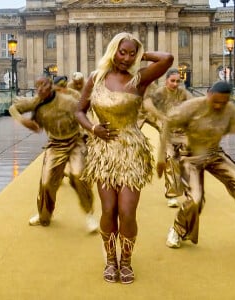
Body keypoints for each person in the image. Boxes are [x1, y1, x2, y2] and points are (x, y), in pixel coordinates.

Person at [75, 32, 173, 284]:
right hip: (103, 152)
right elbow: (79, 111)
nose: (127, 58)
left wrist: (142, 54)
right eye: (122, 52)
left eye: (132, 53)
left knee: (127, 211)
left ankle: (126, 261)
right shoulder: (96, 79)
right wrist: (93, 128)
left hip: (131, 152)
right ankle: (110, 260)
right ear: (112, 51)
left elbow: (167, 58)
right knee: (109, 209)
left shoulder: (139, 80)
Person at [157, 80, 235, 256]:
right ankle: (177, 230)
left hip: (214, 154)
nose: (218, 106)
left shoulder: (229, 110)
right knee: (195, 199)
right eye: (215, 101)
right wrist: (162, 156)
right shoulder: (192, 106)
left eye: (222, 103)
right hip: (190, 156)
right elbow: (168, 124)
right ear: (208, 95)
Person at [9, 76, 99, 233]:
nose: (40, 89)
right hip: (55, 144)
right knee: (46, 182)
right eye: (38, 86)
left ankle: (89, 214)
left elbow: (82, 114)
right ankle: (44, 215)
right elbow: (13, 109)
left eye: (44, 85)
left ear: (51, 86)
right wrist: (24, 122)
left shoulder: (67, 101)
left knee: (78, 176)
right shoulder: (36, 102)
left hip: (75, 141)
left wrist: (90, 133)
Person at [149, 68, 193, 208]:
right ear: (166, 80)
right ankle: (172, 195)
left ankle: (189, 191)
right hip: (167, 134)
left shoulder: (184, 93)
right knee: (171, 162)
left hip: (183, 133)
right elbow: (148, 109)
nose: (175, 84)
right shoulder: (159, 93)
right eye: (172, 81)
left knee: (186, 162)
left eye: (178, 81)